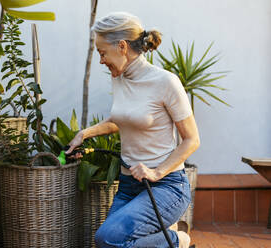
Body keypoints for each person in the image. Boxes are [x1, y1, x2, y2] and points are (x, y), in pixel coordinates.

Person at [66, 12, 200, 248]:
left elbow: (192, 140)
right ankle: (170, 240)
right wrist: (84, 134)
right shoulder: (119, 78)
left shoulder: (166, 82)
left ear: (122, 47)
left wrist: (157, 172)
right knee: (112, 243)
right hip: (129, 186)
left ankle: (178, 240)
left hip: (166, 186)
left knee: (107, 239)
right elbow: (122, 120)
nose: (101, 60)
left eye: (102, 52)